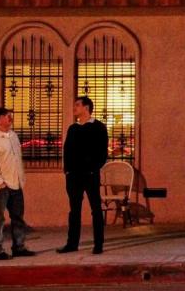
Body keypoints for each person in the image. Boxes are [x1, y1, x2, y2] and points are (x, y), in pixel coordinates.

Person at [0, 107, 35, 260]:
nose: (9, 117)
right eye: (6, 115)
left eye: (9, 115)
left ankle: (19, 246)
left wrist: (20, 179)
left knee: (18, 217)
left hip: (16, 184)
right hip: (1, 186)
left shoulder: (13, 136)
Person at [57, 96, 109, 255]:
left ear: (86, 108)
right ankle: (72, 244)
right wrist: (67, 170)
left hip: (90, 175)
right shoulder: (73, 128)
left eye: (77, 105)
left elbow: (102, 152)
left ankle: (98, 244)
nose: (74, 108)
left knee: (95, 209)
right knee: (74, 211)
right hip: (73, 176)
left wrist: (93, 168)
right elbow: (67, 150)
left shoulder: (98, 127)